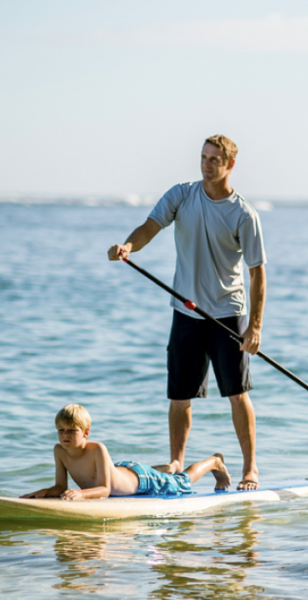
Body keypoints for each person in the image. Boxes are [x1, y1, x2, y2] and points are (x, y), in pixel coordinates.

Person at [108, 135, 267, 490]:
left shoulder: (243, 214)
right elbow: (150, 227)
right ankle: (177, 461)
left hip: (227, 314)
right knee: (180, 396)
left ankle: (250, 469)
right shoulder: (182, 195)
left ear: (230, 165)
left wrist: (254, 327)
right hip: (186, 312)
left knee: (237, 394)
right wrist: (128, 246)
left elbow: (257, 273)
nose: (206, 164)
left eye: (214, 159)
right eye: (203, 157)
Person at [21, 404, 230, 500]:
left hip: (141, 478)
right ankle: (169, 467)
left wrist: (81, 494)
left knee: (182, 481)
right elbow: (60, 486)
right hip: (121, 469)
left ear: (85, 433)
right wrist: (44, 493)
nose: (65, 436)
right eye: (60, 431)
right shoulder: (59, 451)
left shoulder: (97, 449)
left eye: (71, 431)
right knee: (169, 473)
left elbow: (104, 489)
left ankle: (214, 462)